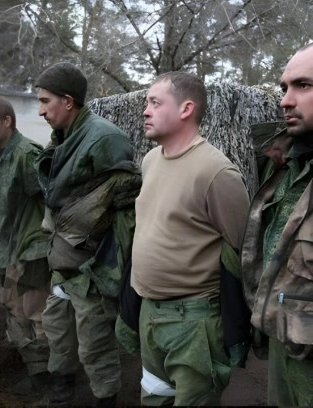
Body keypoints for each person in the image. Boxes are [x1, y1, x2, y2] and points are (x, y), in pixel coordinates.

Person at [131, 71, 250, 405]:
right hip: (149, 313)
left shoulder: (216, 172)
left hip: (194, 321)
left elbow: (241, 246)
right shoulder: (150, 161)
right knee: (154, 397)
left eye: (155, 102)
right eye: (146, 102)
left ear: (186, 109)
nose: (145, 110)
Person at [34, 62, 141, 407]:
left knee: (95, 344)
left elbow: (124, 214)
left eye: (45, 101)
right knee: (58, 333)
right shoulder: (64, 137)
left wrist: (107, 269)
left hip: (91, 269)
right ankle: (60, 396)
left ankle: (105, 400)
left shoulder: (105, 139)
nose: (40, 111)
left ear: (68, 101)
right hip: (62, 262)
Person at [241, 43, 313, 407]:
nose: (286, 100)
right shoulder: (283, 163)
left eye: (303, 85)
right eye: (284, 87)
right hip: (283, 341)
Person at [0, 97, 52, 398]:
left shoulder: (26, 155)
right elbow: (2, 213)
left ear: (7, 121)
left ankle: (52, 383)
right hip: (11, 248)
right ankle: (35, 373)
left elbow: (54, 199)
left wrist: (47, 242)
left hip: (33, 248)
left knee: (37, 315)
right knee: (12, 309)